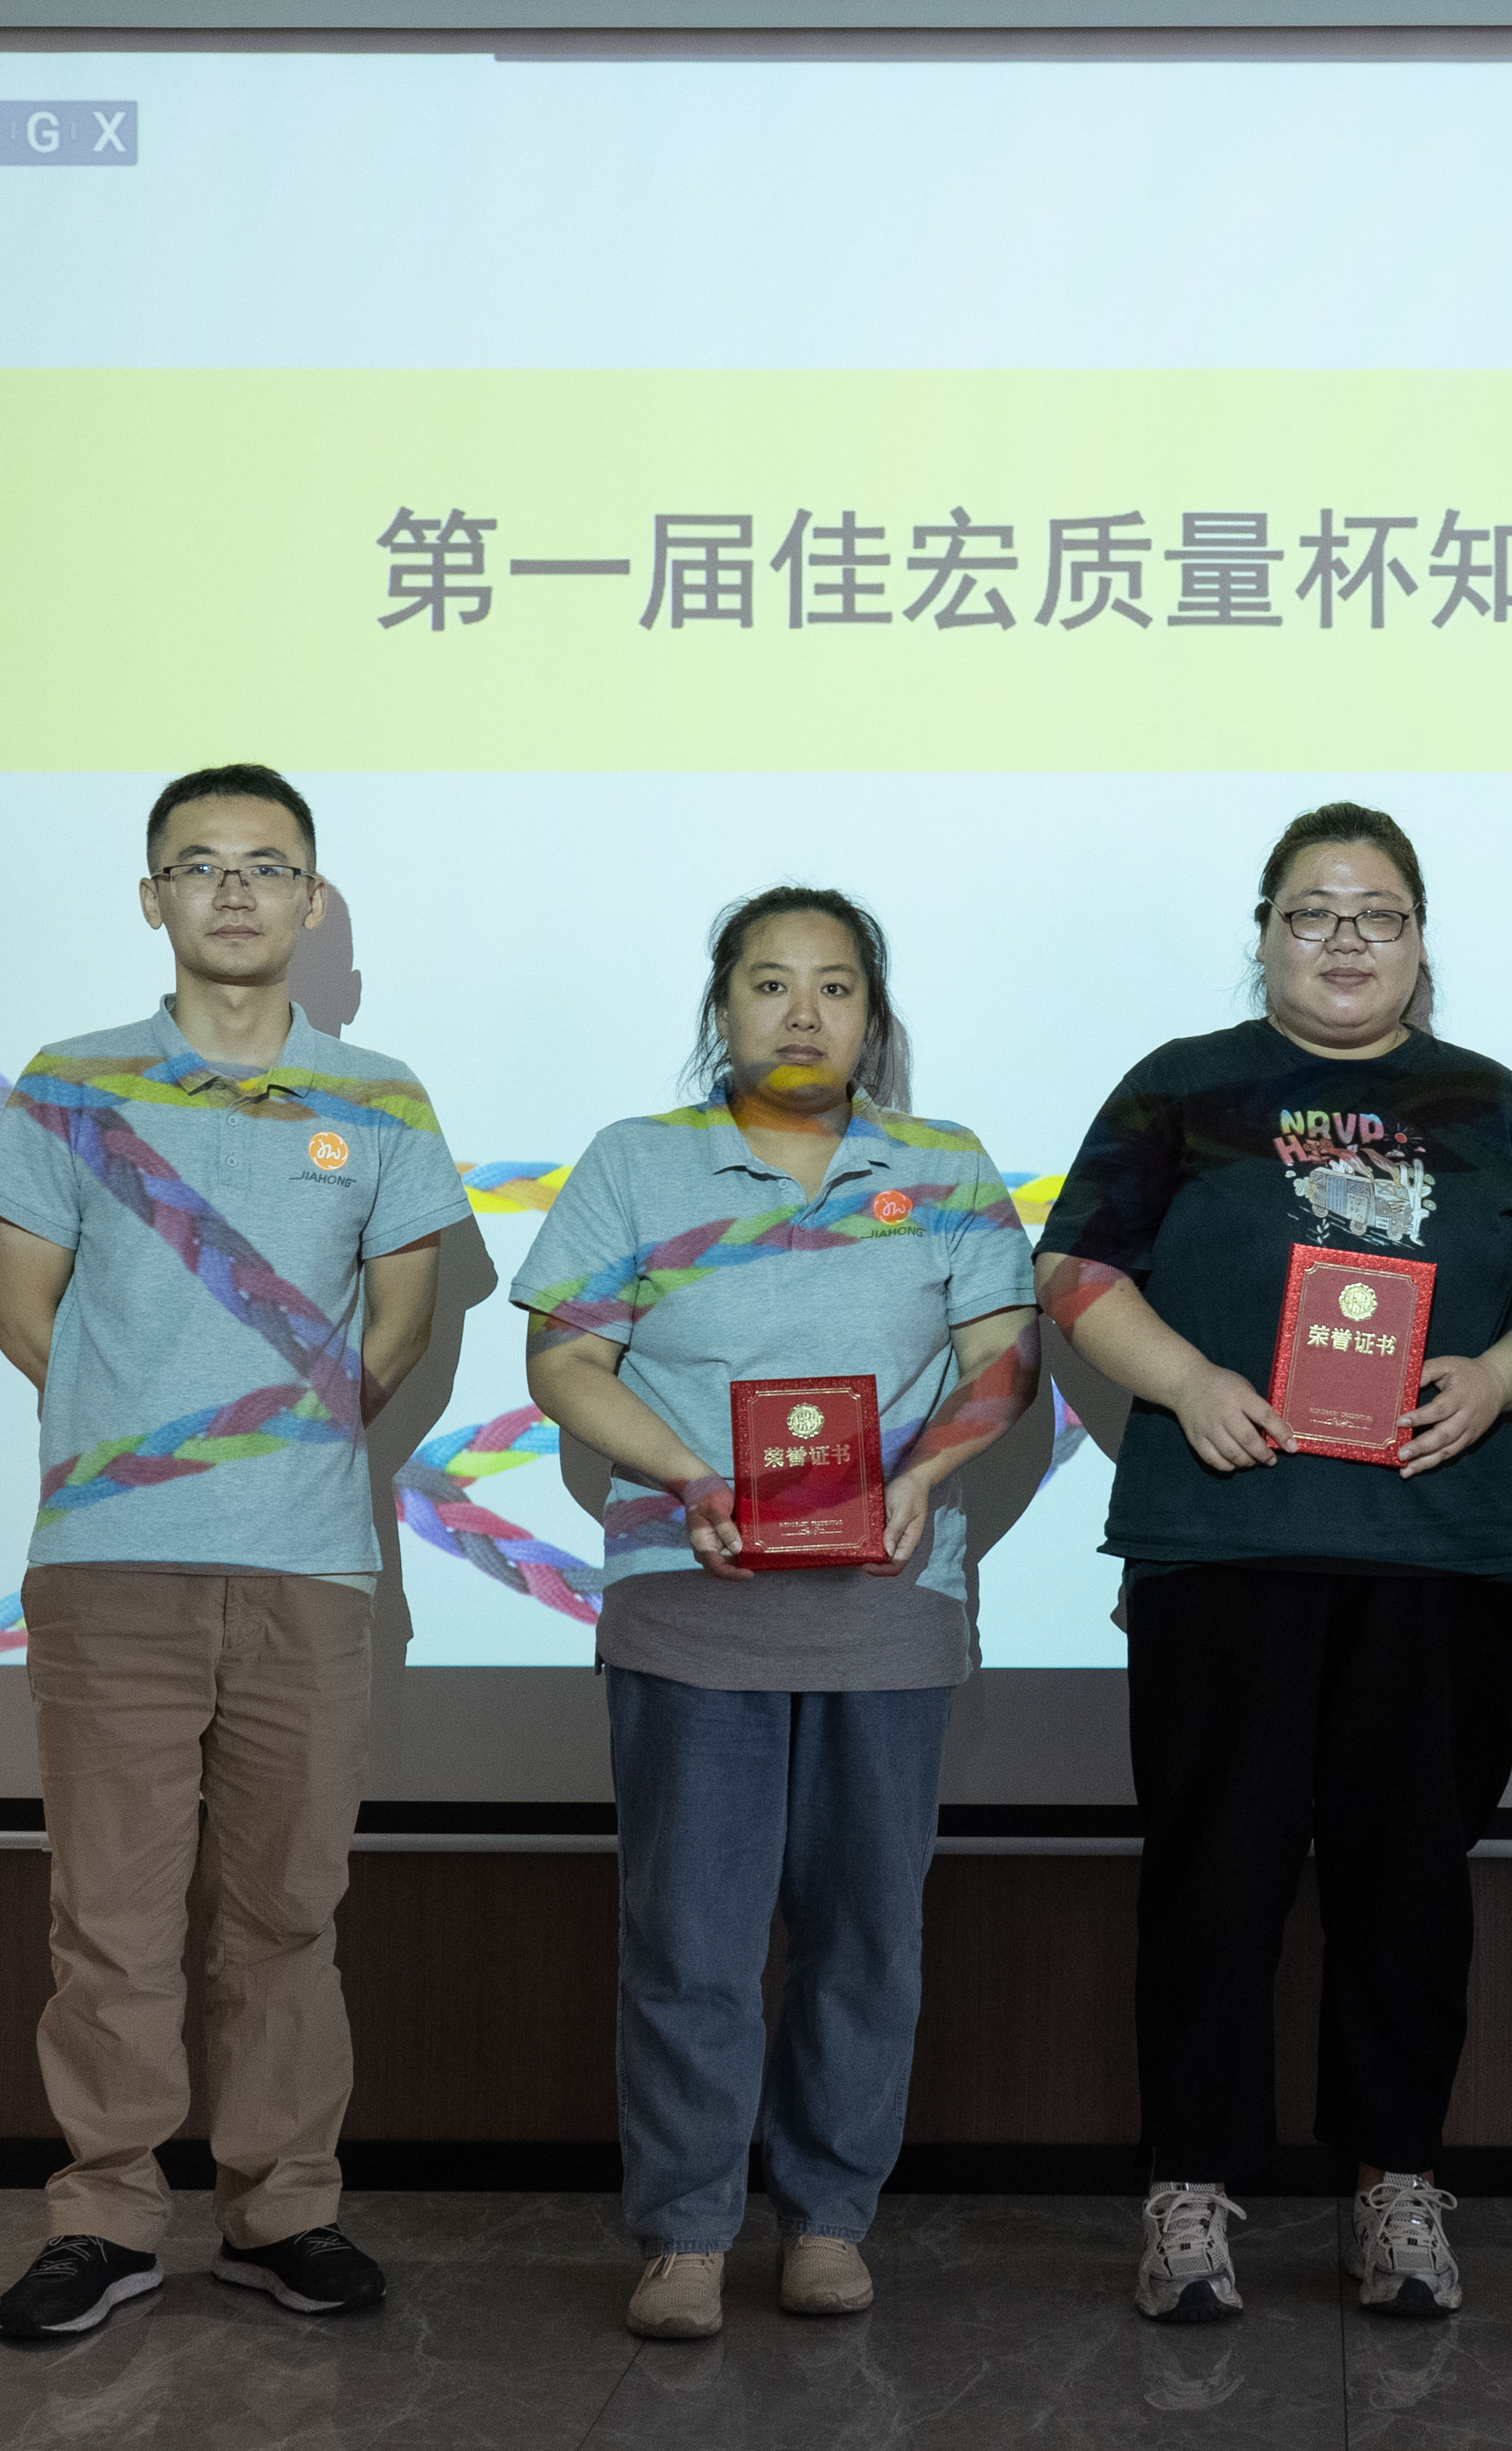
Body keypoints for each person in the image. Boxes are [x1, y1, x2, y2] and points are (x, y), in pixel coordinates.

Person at [1035, 803, 1512, 2324]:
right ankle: (1191, 2185)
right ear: (1265, 932)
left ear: (1420, 938)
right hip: (1224, 1543)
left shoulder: (1502, 1108)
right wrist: (1189, 1381)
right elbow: (1072, 1266)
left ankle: (1396, 2181)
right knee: (1214, 1882)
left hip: (1436, 1554)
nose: (1346, 939)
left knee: (1411, 1890)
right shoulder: (1182, 1086)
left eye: (1378, 913)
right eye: (1313, 912)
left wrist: (1501, 1376)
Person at [0, 765, 470, 2340]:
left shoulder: (380, 1096)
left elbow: (402, 1322)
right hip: (111, 1559)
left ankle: (282, 2211)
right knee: (109, 1917)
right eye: (199, 864)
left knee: (286, 1914)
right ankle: (107, 2219)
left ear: (312, 901)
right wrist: (151, 1442)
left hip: (308, 1564)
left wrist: (287, 1442)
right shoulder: (72, 1081)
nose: (234, 891)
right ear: (152, 898)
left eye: (266, 865)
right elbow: (23, 1311)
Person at [514, 887, 1038, 2342]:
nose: (803, 1012)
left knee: (866, 1940)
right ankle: (686, 2230)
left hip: (888, 1608)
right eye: (768, 982)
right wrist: (692, 1476)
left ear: (875, 1014)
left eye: (836, 985)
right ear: (720, 1008)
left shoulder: (942, 1165)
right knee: (689, 1939)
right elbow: (565, 1357)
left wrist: (924, 1475)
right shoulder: (636, 1160)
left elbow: (1005, 1357)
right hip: (692, 1606)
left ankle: (827, 2217)